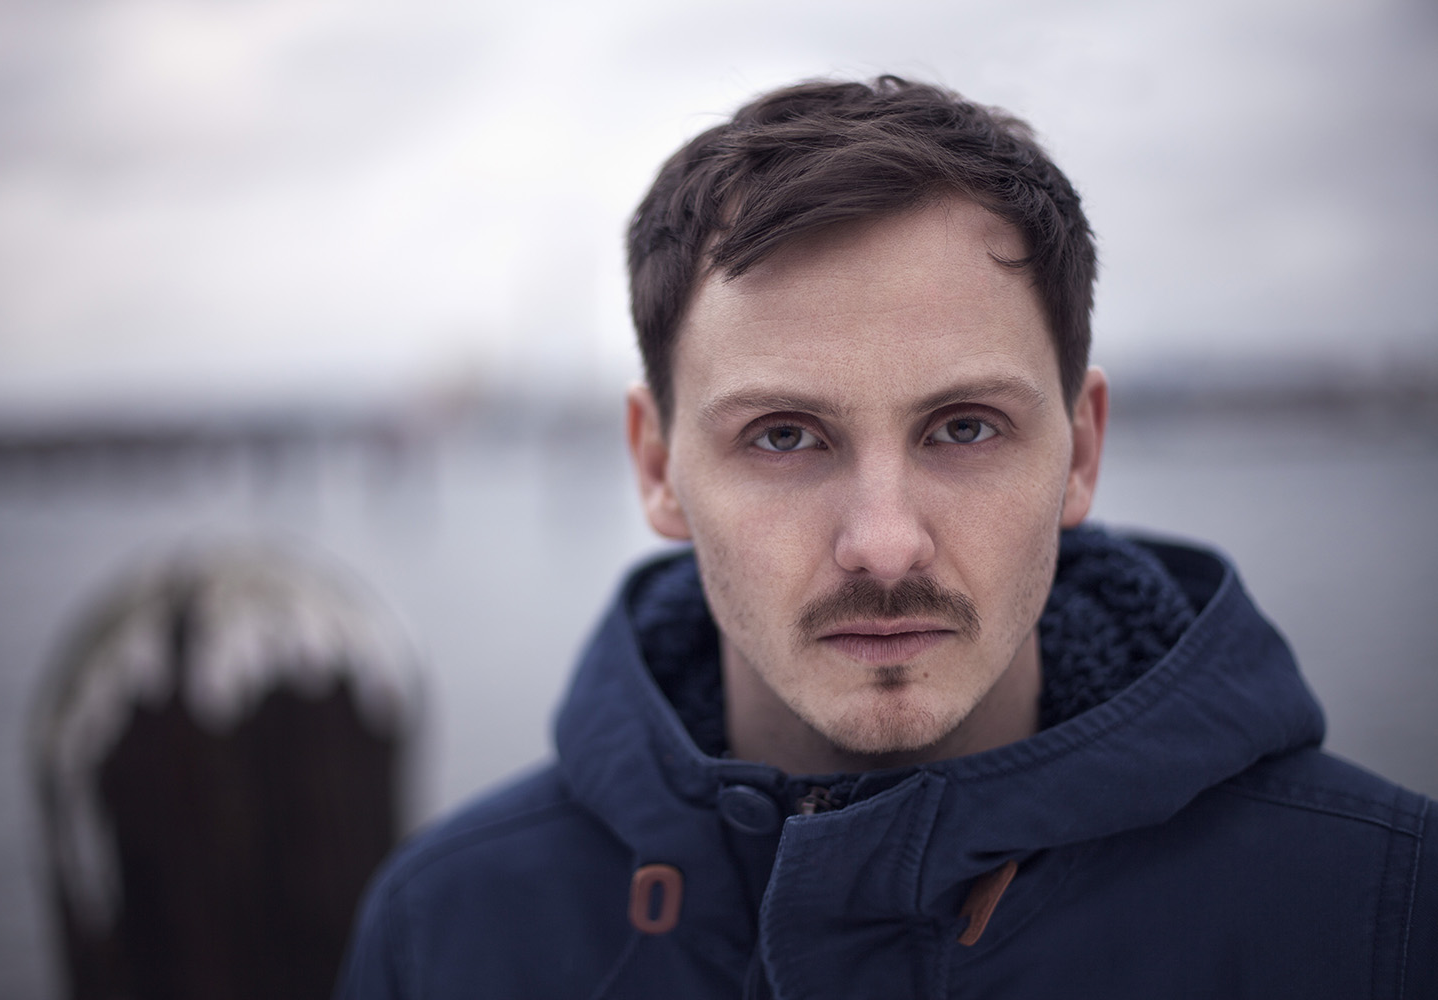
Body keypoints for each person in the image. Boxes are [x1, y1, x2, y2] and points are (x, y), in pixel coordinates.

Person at [338, 76, 1436, 998]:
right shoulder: (448, 931)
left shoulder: (1382, 916)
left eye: (964, 428)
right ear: (657, 467)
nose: (884, 544)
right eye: (782, 435)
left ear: (1082, 450)